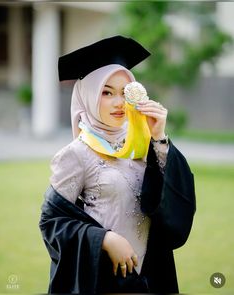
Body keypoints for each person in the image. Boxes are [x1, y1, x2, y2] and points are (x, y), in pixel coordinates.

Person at [39, 35, 196, 294]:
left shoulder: (144, 142)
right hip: (104, 279)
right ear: (88, 96)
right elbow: (51, 222)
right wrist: (104, 240)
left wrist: (158, 138)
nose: (119, 102)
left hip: (151, 275)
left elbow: (173, 202)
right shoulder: (77, 154)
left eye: (124, 92)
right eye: (106, 92)